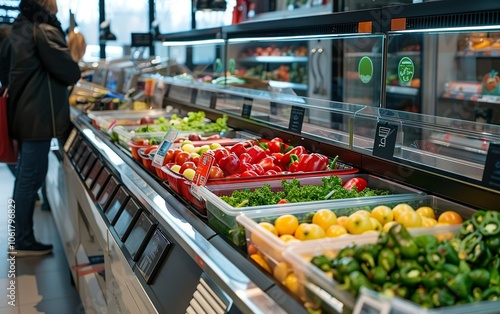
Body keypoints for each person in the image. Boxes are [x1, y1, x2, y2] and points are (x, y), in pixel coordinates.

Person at [0, 0, 80, 256]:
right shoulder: (43, 30)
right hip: (38, 116)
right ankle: (22, 240)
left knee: (25, 175)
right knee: (29, 178)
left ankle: (19, 236)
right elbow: (70, 72)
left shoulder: (17, 28)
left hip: (23, 114)